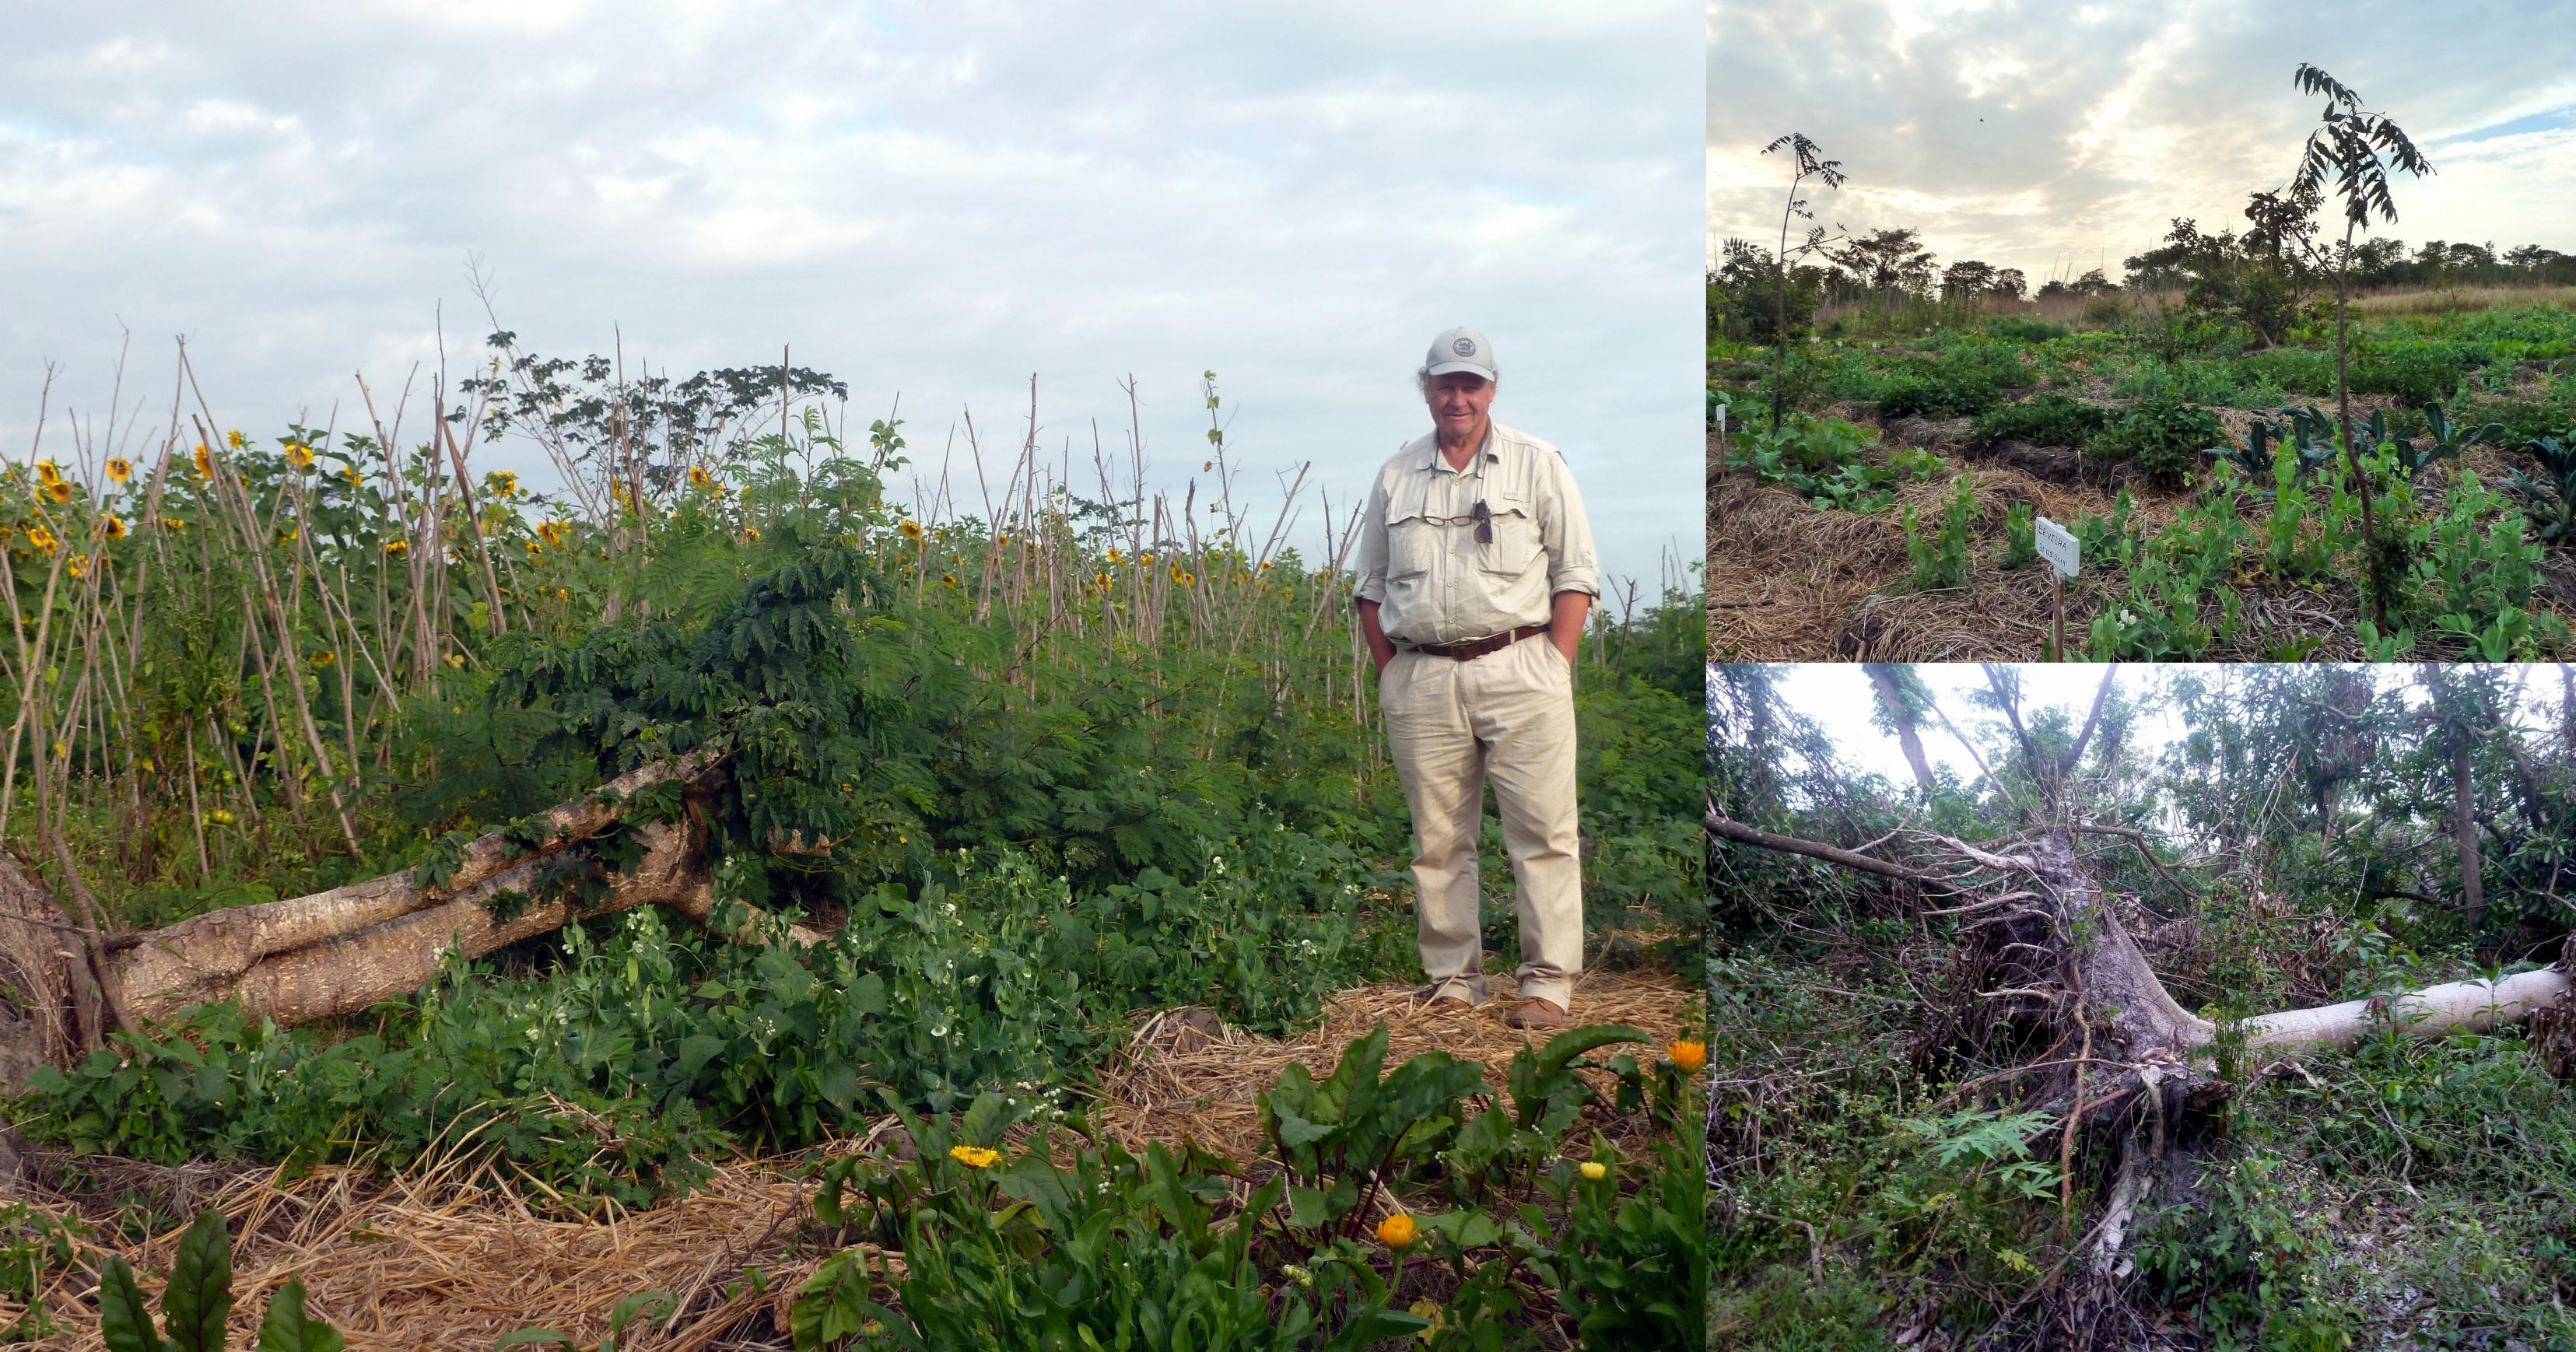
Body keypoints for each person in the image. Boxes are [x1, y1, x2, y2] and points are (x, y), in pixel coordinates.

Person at [1352, 326, 1599, 1031]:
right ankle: (1453, 981)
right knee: (1437, 842)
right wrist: (1392, 671)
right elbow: (1369, 588)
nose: (1456, 398)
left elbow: (1575, 572)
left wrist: (1553, 661)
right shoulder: (1396, 474)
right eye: (1443, 384)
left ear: (1491, 389)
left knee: (1544, 833)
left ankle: (1546, 986)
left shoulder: (1536, 462)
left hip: (1522, 668)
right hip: (1422, 677)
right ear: (1425, 388)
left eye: (1471, 384)